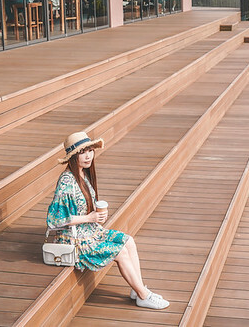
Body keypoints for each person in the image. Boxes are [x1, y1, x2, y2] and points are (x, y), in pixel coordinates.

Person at [46, 131, 169, 310]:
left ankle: (138, 289)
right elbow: (54, 220)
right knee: (120, 252)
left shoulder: (82, 174)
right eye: (83, 152)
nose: (88, 155)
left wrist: (96, 215)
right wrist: (89, 217)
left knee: (129, 241)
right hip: (76, 241)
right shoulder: (66, 181)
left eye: (90, 150)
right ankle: (143, 295)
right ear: (73, 157)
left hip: (90, 232)